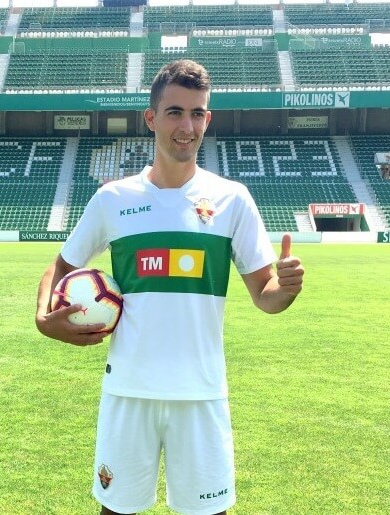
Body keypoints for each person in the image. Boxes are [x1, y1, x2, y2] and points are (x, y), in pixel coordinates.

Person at [35, 59, 304, 515]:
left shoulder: (232, 199)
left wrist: (287, 288)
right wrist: (44, 320)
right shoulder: (114, 199)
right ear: (151, 118)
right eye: (175, 111)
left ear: (208, 119)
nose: (187, 125)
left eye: (198, 113)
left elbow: (265, 295)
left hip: (200, 394)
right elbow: (59, 267)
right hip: (128, 392)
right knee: (115, 510)